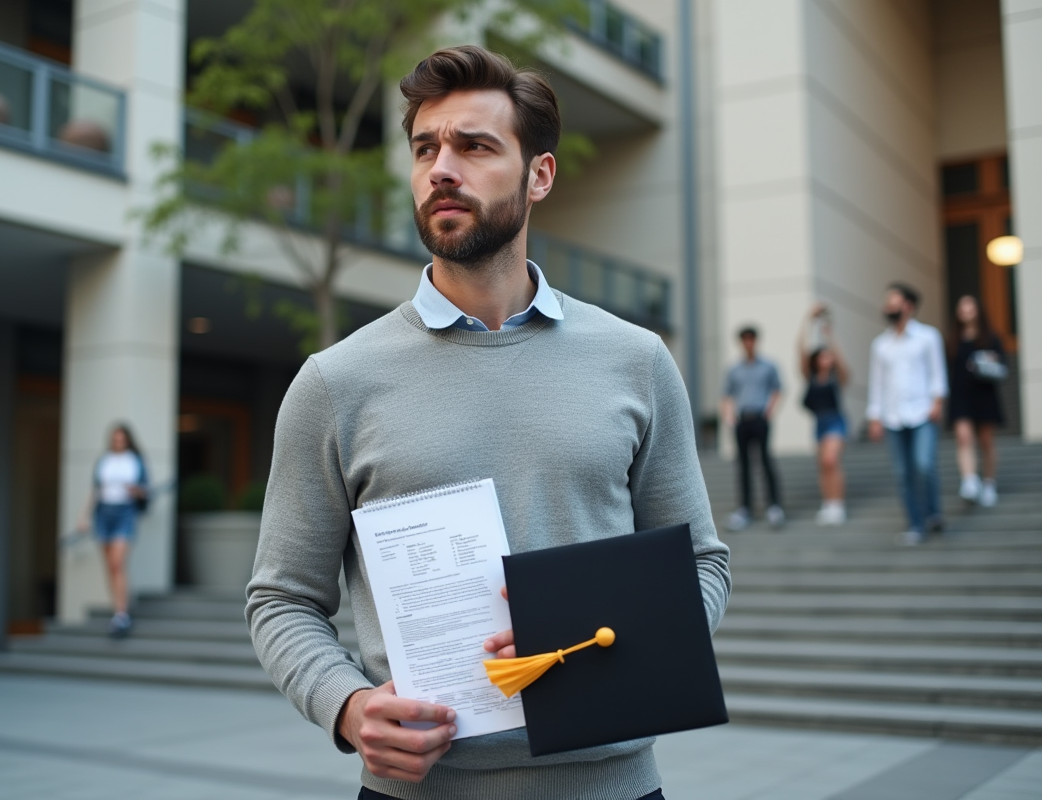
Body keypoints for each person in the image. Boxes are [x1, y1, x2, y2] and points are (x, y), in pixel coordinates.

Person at [246, 46, 729, 800]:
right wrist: (348, 707)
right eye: (425, 149)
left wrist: (597, 641)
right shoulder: (335, 382)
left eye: (474, 146)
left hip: (614, 787)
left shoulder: (635, 360)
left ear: (539, 175)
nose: (442, 168)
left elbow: (701, 563)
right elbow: (282, 598)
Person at [867, 283, 948, 546]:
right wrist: (874, 416)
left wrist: (937, 401)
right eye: (887, 302)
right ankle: (915, 524)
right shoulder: (880, 345)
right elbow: (877, 383)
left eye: (894, 301)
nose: (888, 307)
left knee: (924, 465)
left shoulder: (928, 336)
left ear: (908, 306)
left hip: (923, 412)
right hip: (893, 417)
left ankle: (933, 513)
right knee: (903, 474)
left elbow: (937, 372)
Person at [77, 424, 149, 638]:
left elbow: (146, 491)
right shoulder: (104, 460)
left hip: (124, 512)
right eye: (115, 440)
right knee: (110, 566)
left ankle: (122, 613)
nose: (118, 443)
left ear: (127, 440)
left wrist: (136, 490)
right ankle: (118, 610)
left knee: (118, 563)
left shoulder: (135, 461)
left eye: (121, 440)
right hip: (103, 514)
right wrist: (84, 516)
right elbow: (96, 490)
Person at [720, 326, 784, 531]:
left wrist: (769, 411)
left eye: (751, 339)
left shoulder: (768, 366)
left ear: (756, 341)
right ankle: (744, 508)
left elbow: (777, 389)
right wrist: (729, 416)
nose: (748, 343)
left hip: (760, 418)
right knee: (743, 465)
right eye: (745, 340)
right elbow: (727, 394)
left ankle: (774, 506)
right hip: (742, 419)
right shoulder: (734, 369)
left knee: (765, 460)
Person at [948, 295, 1006, 508]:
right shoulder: (953, 340)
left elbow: (1002, 366)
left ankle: (989, 483)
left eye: (970, 307)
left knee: (986, 441)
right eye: (962, 307)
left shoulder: (991, 338)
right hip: (961, 395)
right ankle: (970, 480)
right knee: (963, 438)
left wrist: (986, 361)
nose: (966, 311)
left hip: (984, 395)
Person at [797, 303, 850, 525]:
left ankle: (838, 504)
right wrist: (808, 321)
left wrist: (829, 335)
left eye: (829, 356)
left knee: (831, 460)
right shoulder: (811, 377)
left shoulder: (837, 378)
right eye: (823, 356)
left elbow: (842, 362)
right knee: (823, 465)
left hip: (836, 421)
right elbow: (800, 349)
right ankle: (829, 503)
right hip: (819, 422)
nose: (826, 359)